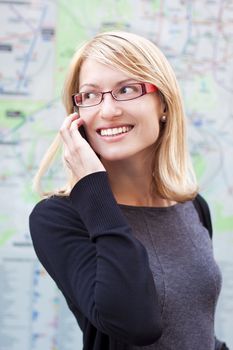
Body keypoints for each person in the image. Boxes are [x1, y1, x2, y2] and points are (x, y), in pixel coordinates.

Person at [29, 31, 229, 350]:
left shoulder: (192, 206)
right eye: (90, 95)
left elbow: (195, 330)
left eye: (126, 89)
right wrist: (94, 191)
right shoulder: (59, 218)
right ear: (76, 116)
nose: (108, 111)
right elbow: (136, 324)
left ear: (162, 103)